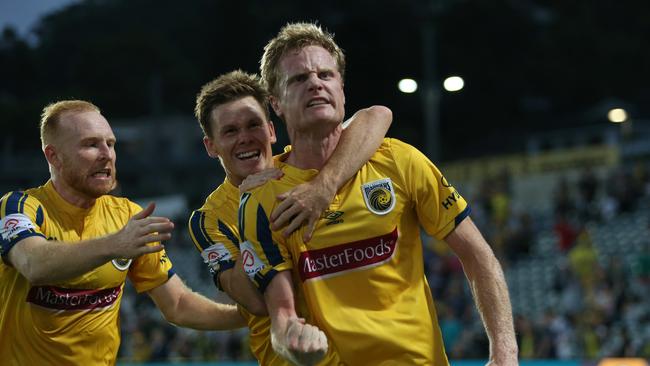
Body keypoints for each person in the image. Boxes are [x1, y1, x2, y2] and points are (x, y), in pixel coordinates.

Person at [239, 22, 519, 365]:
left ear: (342, 89)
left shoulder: (399, 161)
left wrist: (505, 354)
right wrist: (292, 339)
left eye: (326, 75)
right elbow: (280, 315)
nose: (315, 83)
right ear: (276, 103)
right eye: (298, 79)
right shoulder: (262, 199)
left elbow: (479, 256)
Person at [0, 100, 244, 365]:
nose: (107, 154)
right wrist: (115, 243)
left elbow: (178, 304)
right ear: (53, 156)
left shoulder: (126, 216)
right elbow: (34, 264)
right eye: (91, 144)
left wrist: (248, 315)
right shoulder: (19, 205)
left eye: (111, 144)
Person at [188, 70, 392, 364]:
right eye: (230, 131)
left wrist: (325, 184)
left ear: (271, 130)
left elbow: (376, 117)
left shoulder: (309, 168)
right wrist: (252, 208)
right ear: (211, 146)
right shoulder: (208, 220)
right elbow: (255, 302)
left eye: (253, 125)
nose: (244, 138)